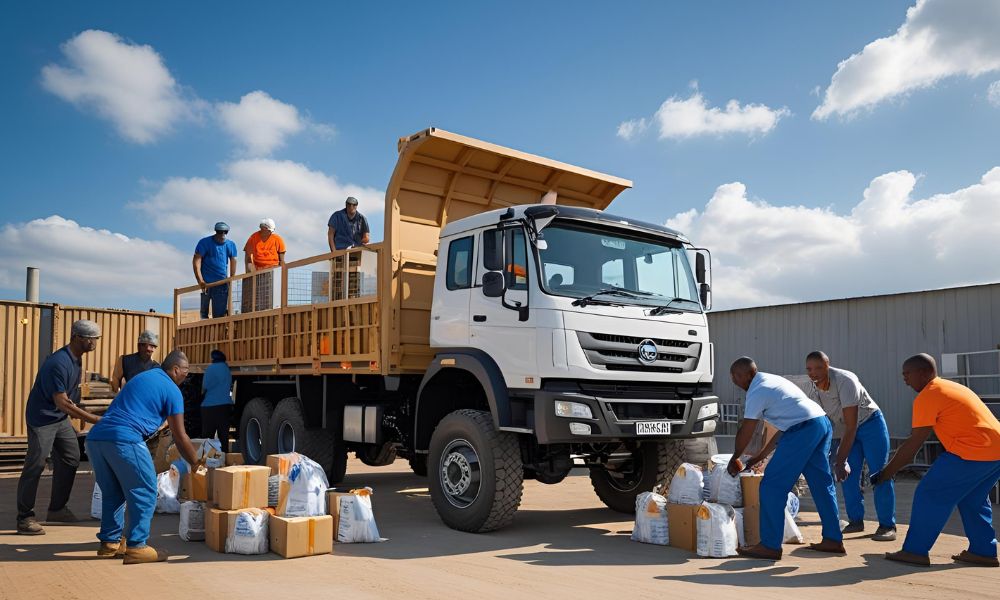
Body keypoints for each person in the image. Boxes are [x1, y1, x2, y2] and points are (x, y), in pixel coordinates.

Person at [879, 354, 1000, 567]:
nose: (905, 380)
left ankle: (915, 551)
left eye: (907, 374)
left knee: (930, 493)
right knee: (973, 499)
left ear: (923, 373)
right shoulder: (951, 387)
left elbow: (914, 444)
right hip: (994, 451)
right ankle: (983, 551)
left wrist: (886, 473)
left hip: (971, 451)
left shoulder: (929, 395)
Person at [85, 350, 200, 564]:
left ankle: (109, 543)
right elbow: (180, 436)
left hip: (96, 439)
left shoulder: (143, 377)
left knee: (113, 493)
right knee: (146, 490)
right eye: (186, 372)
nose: (186, 377)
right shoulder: (172, 390)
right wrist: (196, 463)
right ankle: (137, 546)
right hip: (125, 438)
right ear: (176, 370)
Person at [727, 357, 845, 560]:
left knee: (772, 486)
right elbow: (783, 428)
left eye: (736, 376)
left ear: (748, 374)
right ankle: (833, 539)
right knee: (821, 484)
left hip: (803, 429)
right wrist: (759, 457)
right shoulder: (771, 381)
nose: (734, 381)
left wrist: (735, 457)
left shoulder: (757, 390)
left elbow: (747, 429)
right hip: (819, 423)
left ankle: (770, 545)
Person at [16, 320, 103, 535]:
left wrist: (79, 414)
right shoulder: (58, 362)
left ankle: (57, 509)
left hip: (60, 418)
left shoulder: (77, 360)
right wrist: (94, 419)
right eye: (90, 339)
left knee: (71, 457)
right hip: (42, 419)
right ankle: (24, 517)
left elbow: (70, 398)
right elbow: (62, 402)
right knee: (36, 465)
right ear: (77, 337)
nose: (94, 343)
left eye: (96, 339)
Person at [805, 351, 896, 541]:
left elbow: (852, 425)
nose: (814, 373)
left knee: (879, 473)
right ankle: (856, 520)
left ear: (828, 365)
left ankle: (887, 525)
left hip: (869, 424)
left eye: (819, 368)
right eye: (809, 369)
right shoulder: (811, 389)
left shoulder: (845, 380)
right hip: (843, 430)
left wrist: (840, 460)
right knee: (847, 475)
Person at [193, 222, 238, 319]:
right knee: (204, 314)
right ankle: (205, 328)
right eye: (220, 232)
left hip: (221, 283)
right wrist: (200, 280)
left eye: (225, 232)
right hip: (206, 283)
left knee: (219, 315)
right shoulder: (205, 242)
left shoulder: (230, 244)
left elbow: (233, 260)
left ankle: (219, 329)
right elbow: (196, 260)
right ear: (216, 231)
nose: (223, 234)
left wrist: (232, 278)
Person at [243, 218, 286, 311]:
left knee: (270, 298)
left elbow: (282, 260)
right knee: (257, 298)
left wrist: (281, 274)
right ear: (263, 228)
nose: (271, 232)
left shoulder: (277, 239)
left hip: (273, 271)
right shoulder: (253, 238)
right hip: (257, 272)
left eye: (272, 231)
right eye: (269, 230)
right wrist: (250, 274)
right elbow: (248, 259)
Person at [201, 349, 233, 452]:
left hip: (209, 406)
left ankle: (208, 458)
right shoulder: (226, 368)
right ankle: (225, 457)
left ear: (213, 358)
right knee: (224, 436)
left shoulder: (210, 369)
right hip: (225, 406)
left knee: (208, 437)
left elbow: (205, 386)